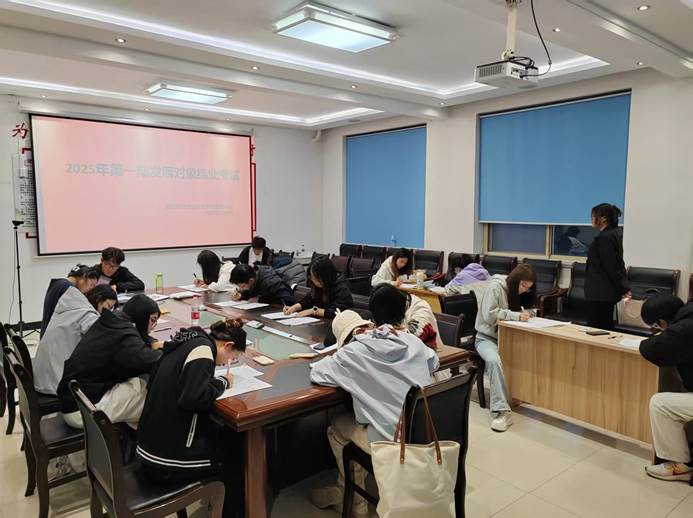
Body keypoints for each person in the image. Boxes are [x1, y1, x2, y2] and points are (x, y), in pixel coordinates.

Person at [309, 284, 439, 516]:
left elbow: (317, 373)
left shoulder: (355, 352)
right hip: (425, 433)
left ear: (372, 316)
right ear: (404, 312)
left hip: (392, 443)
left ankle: (355, 502)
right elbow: (434, 362)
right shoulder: (415, 343)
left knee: (337, 426)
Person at [136, 319, 246, 517]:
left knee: (224, 437)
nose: (225, 363)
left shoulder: (189, 339)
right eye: (232, 358)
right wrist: (222, 382)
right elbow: (194, 398)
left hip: (149, 446)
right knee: (236, 451)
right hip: (167, 462)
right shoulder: (203, 351)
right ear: (228, 345)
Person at [57, 295, 163, 429]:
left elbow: (135, 349)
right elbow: (148, 360)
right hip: (82, 411)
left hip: (75, 399)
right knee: (155, 396)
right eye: (152, 320)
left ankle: (134, 436)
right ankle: (149, 439)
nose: (153, 327)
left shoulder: (113, 322)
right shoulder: (124, 336)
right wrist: (166, 351)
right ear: (141, 317)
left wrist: (150, 344)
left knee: (139, 384)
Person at [475, 264, 536, 432]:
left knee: (532, 353)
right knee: (494, 360)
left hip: (509, 338)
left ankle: (520, 394)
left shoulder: (514, 292)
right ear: (515, 280)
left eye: (528, 288)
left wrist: (528, 313)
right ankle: (501, 411)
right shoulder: (495, 287)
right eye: (523, 285)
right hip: (486, 338)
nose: (524, 290)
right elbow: (489, 315)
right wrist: (515, 315)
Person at [638, 295, 693, 481]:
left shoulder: (682, 331)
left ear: (662, 321)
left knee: (660, 404)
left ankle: (680, 466)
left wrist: (661, 335)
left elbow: (650, 348)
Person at [34, 285, 117, 396]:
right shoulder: (87, 315)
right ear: (98, 299)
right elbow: (103, 339)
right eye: (108, 306)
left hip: (42, 378)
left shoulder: (71, 307)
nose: (109, 312)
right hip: (55, 383)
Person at [585, 203, 630, 330]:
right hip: (605, 292)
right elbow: (618, 264)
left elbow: (612, 266)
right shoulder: (613, 234)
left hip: (601, 293)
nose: (592, 219)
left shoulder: (604, 237)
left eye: (593, 216)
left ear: (603, 218)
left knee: (596, 329)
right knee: (604, 326)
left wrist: (624, 288)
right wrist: (624, 287)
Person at [283, 257, 353, 318]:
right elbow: (310, 298)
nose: (313, 280)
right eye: (312, 277)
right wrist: (294, 307)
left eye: (315, 278)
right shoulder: (320, 284)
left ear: (325, 276)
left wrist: (313, 311)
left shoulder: (341, 287)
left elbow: (337, 311)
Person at [40, 264, 98, 336]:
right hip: (54, 336)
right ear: (84, 276)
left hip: (47, 332)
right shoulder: (68, 289)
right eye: (92, 285)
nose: (90, 289)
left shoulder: (58, 284)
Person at [229, 264, 295, 305]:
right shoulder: (254, 275)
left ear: (251, 280)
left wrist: (260, 300)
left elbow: (288, 300)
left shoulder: (270, 282)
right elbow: (251, 292)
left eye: (243, 286)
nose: (241, 289)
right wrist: (241, 295)